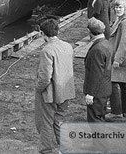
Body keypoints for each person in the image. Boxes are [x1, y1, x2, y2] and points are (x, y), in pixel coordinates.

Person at [35, 19, 75, 154]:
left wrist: (38, 89)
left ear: (42, 33)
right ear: (57, 31)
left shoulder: (46, 51)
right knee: (60, 121)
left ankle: (46, 150)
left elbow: (45, 77)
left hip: (50, 94)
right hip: (66, 91)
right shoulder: (68, 46)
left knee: (45, 123)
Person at [84, 17, 112, 122]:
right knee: (100, 117)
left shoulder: (97, 49)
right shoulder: (106, 43)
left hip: (97, 92)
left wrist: (91, 94)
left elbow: (96, 73)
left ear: (89, 31)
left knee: (95, 120)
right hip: (104, 88)